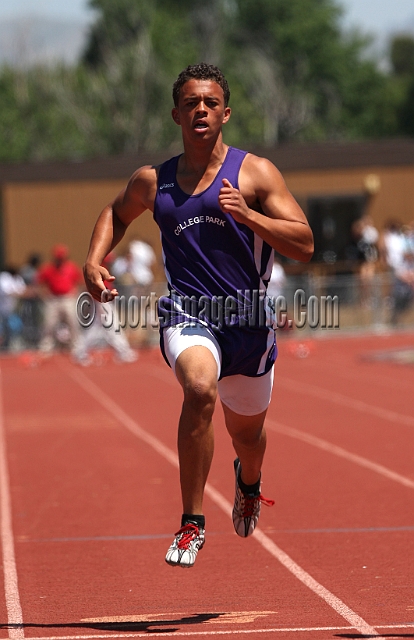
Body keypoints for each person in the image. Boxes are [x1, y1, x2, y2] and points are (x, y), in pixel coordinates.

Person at [84, 63, 314, 568]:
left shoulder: (256, 173)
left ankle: (248, 482)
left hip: (249, 323)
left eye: (210, 103)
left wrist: (251, 215)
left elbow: (305, 243)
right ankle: (192, 522)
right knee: (200, 388)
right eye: (191, 103)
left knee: (248, 438)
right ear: (176, 115)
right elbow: (115, 212)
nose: (201, 111)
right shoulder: (154, 181)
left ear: (225, 113)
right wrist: (93, 260)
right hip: (190, 312)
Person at [37, 244, 83, 354]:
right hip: (53, 299)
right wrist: (45, 294)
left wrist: (75, 292)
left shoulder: (71, 267)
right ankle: (46, 347)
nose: (60, 259)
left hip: (68, 298)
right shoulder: (48, 268)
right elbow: (40, 283)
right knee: (49, 324)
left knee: (73, 322)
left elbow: (79, 282)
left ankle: (77, 346)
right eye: (58, 257)